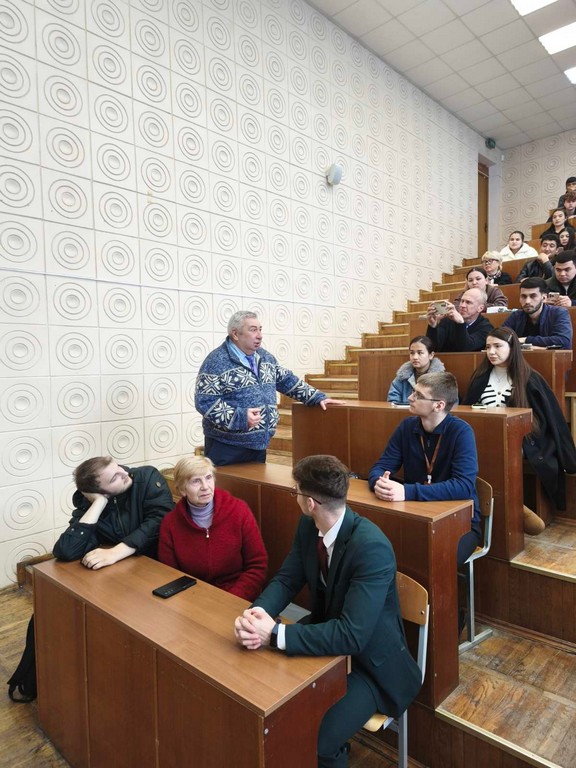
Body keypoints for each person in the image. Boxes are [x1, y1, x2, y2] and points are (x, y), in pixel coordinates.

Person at [234, 454, 422, 768]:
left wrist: (275, 634)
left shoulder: (372, 547)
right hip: (327, 641)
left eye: (295, 492)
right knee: (268, 698)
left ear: (310, 503)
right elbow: (287, 579)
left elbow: (352, 636)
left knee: (318, 740)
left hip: (369, 666)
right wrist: (257, 615)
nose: (295, 497)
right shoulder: (309, 526)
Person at [195, 311, 346, 465]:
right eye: (253, 330)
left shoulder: (266, 357)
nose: (259, 335)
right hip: (226, 446)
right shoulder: (216, 361)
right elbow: (205, 401)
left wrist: (317, 397)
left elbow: (287, 380)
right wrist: (239, 418)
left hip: (259, 446)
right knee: (225, 483)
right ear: (235, 334)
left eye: (260, 329)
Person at [464, 328, 576, 531]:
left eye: (498, 346)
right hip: (486, 437)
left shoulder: (530, 378)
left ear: (512, 347)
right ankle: (503, 508)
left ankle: (508, 508)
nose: (491, 352)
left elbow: (551, 419)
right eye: (488, 347)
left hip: (524, 441)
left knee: (499, 453)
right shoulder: (480, 377)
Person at [368, 372, 481, 566]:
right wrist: (379, 483)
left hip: (459, 522)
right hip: (416, 514)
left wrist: (407, 491)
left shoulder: (461, 432)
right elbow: (381, 466)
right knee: (382, 551)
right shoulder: (407, 426)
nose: (410, 397)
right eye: (413, 392)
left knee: (435, 562)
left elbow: (463, 486)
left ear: (439, 405)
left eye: (418, 395)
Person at [158, 456, 267, 601]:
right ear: (182, 490)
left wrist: (232, 599)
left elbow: (257, 565)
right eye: (196, 481)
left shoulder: (239, 510)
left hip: (237, 595)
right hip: (193, 599)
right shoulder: (170, 523)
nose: (205, 486)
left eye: (208, 478)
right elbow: (170, 574)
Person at [53, 456, 173, 569]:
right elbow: (66, 551)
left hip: (162, 564)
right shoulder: (90, 504)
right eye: (114, 478)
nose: (125, 473)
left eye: (118, 467)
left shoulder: (147, 477)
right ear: (101, 493)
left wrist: (115, 553)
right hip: (128, 569)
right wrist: (98, 503)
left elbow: (159, 521)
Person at [502, 277, 572, 349]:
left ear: (544, 298)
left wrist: (526, 340)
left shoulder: (559, 313)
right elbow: (501, 337)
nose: (527, 301)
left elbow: (563, 340)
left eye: (533, 296)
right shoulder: (515, 316)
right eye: (523, 296)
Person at [426, 288, 493, 352]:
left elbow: (466, 348)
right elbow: (433, 348)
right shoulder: (447, 320)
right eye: (462, 301)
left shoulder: (486, 328)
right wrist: (432, 327)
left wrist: (460, 323)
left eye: (468, 302)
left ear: (480, 308)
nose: (462, 305)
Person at [387, 336, 445, 404]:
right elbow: (392, 403)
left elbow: (448, 404)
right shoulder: (401, 378)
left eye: (420, 353)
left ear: (431, 355)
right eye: (412, 353)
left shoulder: (441, 380)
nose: (415, 357)